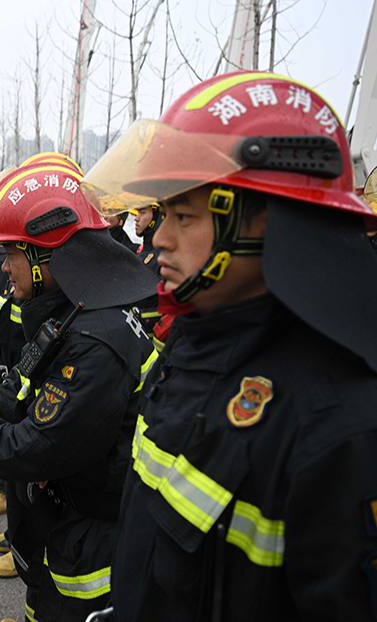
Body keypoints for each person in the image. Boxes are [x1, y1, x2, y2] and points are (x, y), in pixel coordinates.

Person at [80, 70, 377, 620]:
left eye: (183, 215)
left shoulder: (343, 427)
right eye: (162, 214)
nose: (160, 238)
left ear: (264, 220)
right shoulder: (194, 345)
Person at [0, 162, 159, 622]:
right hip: (72, 508)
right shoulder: (73, 309)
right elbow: (19, 386)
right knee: (43, 594)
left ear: (45, 254)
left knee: (66, 604)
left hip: (96, 531)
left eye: (10, 254)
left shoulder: (94, 339)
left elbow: (34, 447)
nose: (3, 267)